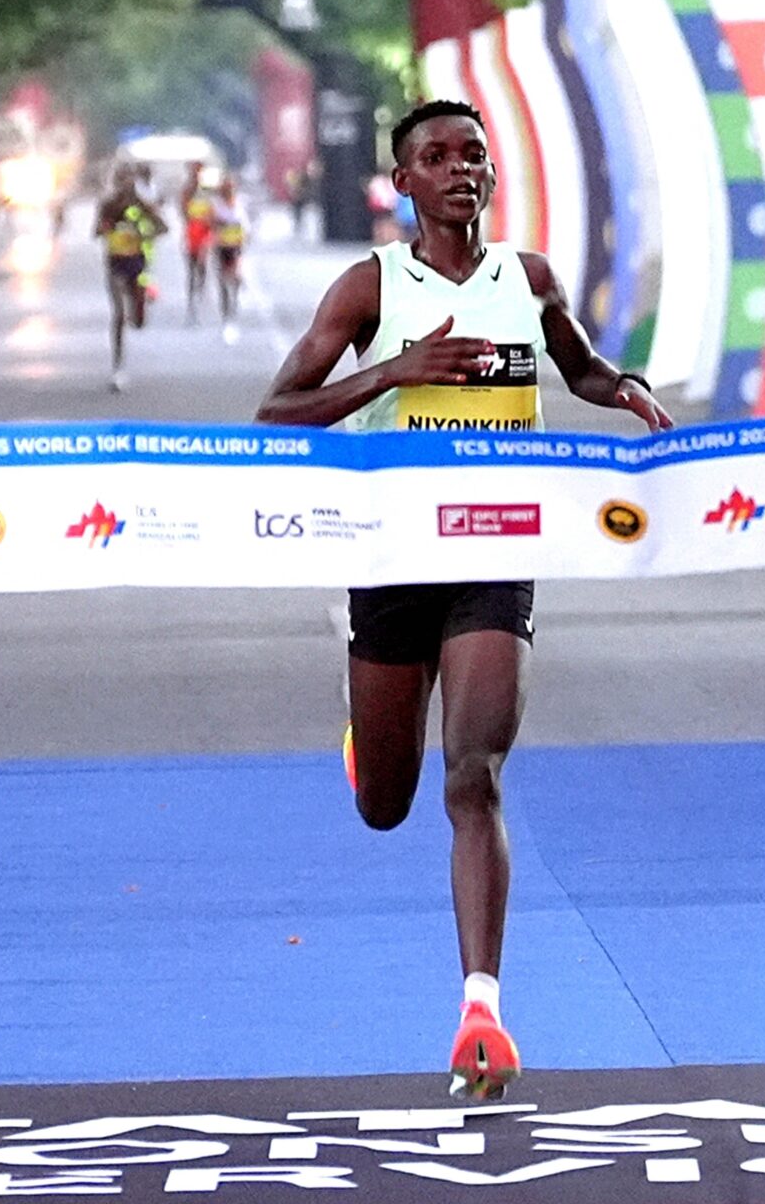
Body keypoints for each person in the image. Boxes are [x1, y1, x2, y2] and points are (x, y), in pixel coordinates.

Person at [257, 100, 673, 1099]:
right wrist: (392, 373)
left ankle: (480, 1011)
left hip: (496, 546)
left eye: (473, 155)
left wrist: (622, 388)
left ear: (491, 173)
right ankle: (365, 743)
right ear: (403, 182)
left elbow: (579, 369)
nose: (460, 170)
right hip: (393, 552)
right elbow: (277, 412)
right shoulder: (370, 287)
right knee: (386, 804)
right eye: (436, 157)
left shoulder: (529, 280)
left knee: (474, 775)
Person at [95, 164, 164, 392]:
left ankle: (140, 310)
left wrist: (144, 230)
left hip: (137, 264)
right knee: (119, 314)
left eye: (129, 181)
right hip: (115, 263)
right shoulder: (108, 205)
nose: (125, 185)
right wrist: (108, 227)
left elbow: (162, 228)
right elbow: (96, 231)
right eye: (121, 180)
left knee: (137, 321)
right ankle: (118, 367)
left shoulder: (141, 205)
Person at [210, 170, 249, 343]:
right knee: (223, 280)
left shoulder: (240, 202)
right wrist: (220, 225)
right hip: (221, 246)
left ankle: (235, 302)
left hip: (236, 246)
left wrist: (244, 236)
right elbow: (212, 223)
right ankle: (226, 310)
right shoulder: (216, 205)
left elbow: (246, 224)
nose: (229, 190)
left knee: (236, 276)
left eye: (231, 187)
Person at [180, 161, 214, 323]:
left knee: (202, 263)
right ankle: (192, 299)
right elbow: (183, 211)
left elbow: (214, 210)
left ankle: (201, 292)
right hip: (192, 233)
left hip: (205, 233)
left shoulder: (208, 190)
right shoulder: (187, 191)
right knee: (192, 267)